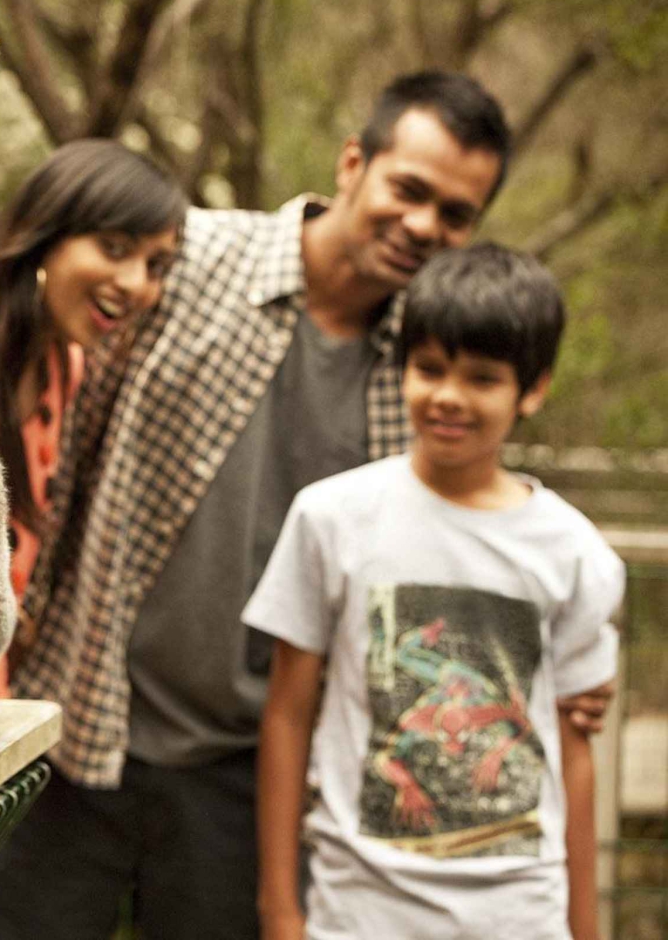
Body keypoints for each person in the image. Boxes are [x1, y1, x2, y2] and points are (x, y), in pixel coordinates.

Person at [0, 71, 614, 940]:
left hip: (251, 774)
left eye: (457, 214)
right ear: (354, 162)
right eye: (410, 189)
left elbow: (466, 535)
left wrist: (568, 666)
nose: (426, 225)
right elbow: (29, 370)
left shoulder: (430, 361)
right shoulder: (189, 257)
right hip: (81, 717)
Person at [246, 243, 620, 940]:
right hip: (358, 908)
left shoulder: (573, 551)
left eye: (482, 378)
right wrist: (281, 911)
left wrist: (585, 927)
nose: (448, 395)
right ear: (403, 367)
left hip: (519, 913)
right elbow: (288, 715)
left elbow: (573, 751)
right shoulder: (331, 517)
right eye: (430, 368)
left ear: (532, 390)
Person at [0, 139, 187, 698]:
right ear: (43, 234)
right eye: (114, 248)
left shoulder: (65, 365)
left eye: (156, 265)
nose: (135, 284)